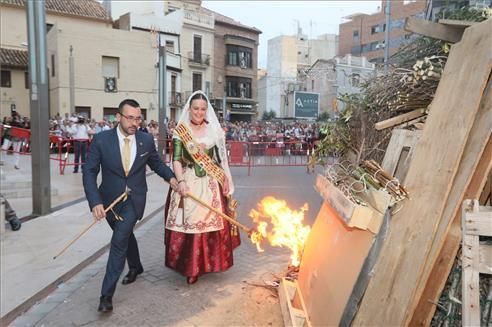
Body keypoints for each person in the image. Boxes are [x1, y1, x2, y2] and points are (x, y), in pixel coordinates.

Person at [83, 99, 178, 313]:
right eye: (130, 118)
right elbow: (89, 172)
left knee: (118, 241)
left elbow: (156, 164)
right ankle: (136, 266)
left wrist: (172, 178)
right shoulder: (101, 140)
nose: (135, 122)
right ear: (118, 117)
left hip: (135, 200)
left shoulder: (145, 140)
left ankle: (106, 295)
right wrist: (95, 201)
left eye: (138, 118)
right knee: (125, 234)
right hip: (109, 202)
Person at [164, 90, 240, 285]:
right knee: (188, 222)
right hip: (188, 180)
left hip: (210, 183)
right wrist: (180, 181)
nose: (199, 112)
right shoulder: (180, 130)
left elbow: (221, 160)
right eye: (196, 108)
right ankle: (191, 268)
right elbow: (177, 159)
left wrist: (226, 180)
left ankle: (208, 263)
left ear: (207, 111)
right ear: (189, 109)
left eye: (203, 109)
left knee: (211, 221)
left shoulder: (214, 131)